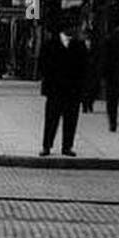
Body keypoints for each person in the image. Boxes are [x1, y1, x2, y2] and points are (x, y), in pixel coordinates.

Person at [38, 16, 88, 157]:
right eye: (75, 27)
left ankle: (67, 146)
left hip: (73, 90)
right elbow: (43, 64)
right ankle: (46, 145)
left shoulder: (79, 45)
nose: (77, 30)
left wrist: (82, 87)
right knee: (51, 119)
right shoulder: (50, 44)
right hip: (55, 89)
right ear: (67, 28)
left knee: (71, 119)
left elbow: (84, 68)